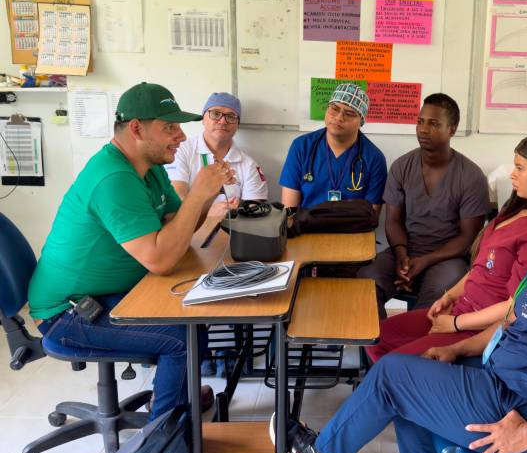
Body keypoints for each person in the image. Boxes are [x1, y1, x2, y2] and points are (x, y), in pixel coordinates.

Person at [273, 157, 527, 453]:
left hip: (518, 412)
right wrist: (456, 348)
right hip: (503, 382)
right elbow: (512, 320)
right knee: (416, 371)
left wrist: (524, 435)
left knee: (390, 376)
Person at [27, 82, 235, 421]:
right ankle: (164, 441)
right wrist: (197, 195)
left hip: (108, 292)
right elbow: (162, 259)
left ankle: (176, 392)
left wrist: (209, 194)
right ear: (136, 128)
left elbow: (177, 229)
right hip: (67, 312)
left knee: (196, 315)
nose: (181, 136)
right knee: (180, 339)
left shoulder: (148, 170)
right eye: (170, 127)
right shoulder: (113, 178)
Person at [365, 132, 527, 363]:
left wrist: (455, 324)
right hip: (459, 311)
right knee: (376, 338)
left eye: (520, 168)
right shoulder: (513, 211)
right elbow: (480, 268)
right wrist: (449, 297)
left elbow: (513, 307)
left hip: (474, 327)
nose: (512, 174)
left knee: (395, 364)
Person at [358, 94, 491, 317]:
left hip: (448, 257)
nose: (423, 129)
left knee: (437, 295)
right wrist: (402, 256)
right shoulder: (402, 166)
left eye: (434, 123)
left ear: (452, 129)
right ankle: (379, 348)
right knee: (365, 281)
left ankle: (417, 350)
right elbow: (393, 221)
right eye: (420, 121)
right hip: (406, 250)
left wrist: (424, 261)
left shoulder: (471, 176)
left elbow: (468, 238)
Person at [279, 83, 387, 212]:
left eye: (349, 113)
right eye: (334, 109)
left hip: (354, 230)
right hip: (306, 228)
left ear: (361, 122)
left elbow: (371, 216)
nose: (339, 117)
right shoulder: (302, 147)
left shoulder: (374, 158)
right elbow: (289, 211)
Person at [166, 92, 267, 218]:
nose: (223, 121)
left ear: (237, 125)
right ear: (203, 119)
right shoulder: (180, 150)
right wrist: (207, 211)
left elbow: (254, 212)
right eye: (215, 114)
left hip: (231, 232)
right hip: (188, 233)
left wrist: (237, 210)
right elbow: (176, 200)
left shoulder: (249, 165)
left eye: (231, 116)